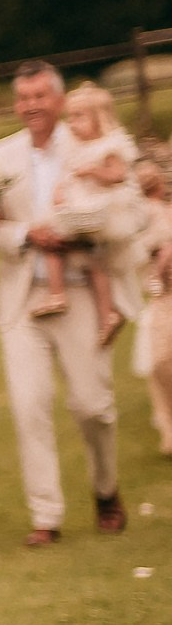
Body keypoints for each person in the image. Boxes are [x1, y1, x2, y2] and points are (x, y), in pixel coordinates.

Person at [0, 62, 127, 545]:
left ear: (59, 100)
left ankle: (106, 489)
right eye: (23, 97)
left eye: (40, 96)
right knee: (29, 406)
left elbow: (124, 208)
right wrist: (26, 234)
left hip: (79, 290)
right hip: (24, 298)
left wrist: (76, 231)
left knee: (92, 405)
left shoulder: (89, 143)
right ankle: (46, 515)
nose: (31, 106)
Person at [26, 82, 145, 345]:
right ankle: (59, 293)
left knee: (96, 264)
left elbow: (119, 175)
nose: (71, 124)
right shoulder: (72, 147)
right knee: (53, 242)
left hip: (101, 209)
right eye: (69, 117)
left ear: (99, 118)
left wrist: (94, 171)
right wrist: (60, 191)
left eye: (79, 117)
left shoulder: (109, 146)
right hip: (77, 209)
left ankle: (107, 313)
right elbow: (66, 175)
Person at [135, 160, 172, 455]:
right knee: (160, 362)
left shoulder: (166, 212)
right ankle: (168, 429)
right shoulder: (138, 217)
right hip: (160, 297)